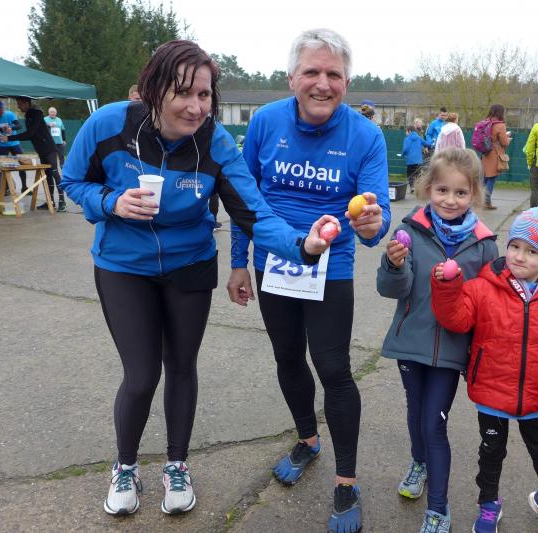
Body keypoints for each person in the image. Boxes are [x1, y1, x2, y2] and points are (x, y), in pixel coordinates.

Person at [60, 39, 338, 518]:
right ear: (154, 89)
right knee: (141, 375)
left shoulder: (214, 142)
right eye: (183, 93)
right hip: (124, 266)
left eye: (204, 95)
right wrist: (110, 202)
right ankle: (125, 467)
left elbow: (253, 212)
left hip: (190, 265)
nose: (195, 107)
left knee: (181, 365)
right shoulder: (109, 124)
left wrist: (303, 245)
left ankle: (176, 465)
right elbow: (72, 181)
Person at [227, 28, 390, 533]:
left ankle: (346, 482)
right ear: (291, 78)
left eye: (333, 74)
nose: (323, 83)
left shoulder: (366, 136)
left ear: (347, 82)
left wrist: (373, 225)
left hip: (329, 268)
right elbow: (244, 200)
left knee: (334, 369)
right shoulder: (265, 122)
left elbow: (376, 219)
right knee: (287, 357)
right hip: (274, 262)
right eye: (312, 72)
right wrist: (238, 261)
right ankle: (307, 439)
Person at [431, 205, 538, 533]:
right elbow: (456, 319)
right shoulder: (482, 287)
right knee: (491, 452)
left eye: (532, 251)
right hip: (491, 391)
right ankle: (489, 504)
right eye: (515, 246)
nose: (519, 256)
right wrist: (447, 286)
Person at [377, 148, 497, 533]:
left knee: (434, 423)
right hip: (410, 344)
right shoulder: (410, 231)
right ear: (428, 188)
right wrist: (394, 264)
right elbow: (393, 290)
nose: (450, 200)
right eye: (442, 190)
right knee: (415, 413)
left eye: (461, 193)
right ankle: (419, 463)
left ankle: (438, 508)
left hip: (451, 350)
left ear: (474, 194)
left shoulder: (484, 244)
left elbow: (488, 304)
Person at [0, 97, 65, 211]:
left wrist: (9, 138)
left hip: (49, 148)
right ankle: (50, 202)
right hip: (41, 150)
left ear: (27, 103)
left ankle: (62, 202)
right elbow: (32, 134)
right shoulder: (29, 115)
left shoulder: (36, 115)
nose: (19, 107)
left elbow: (30, 134)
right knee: (47, 175)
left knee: (55, 173)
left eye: (20, 104)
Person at [0, 100, 28, 193]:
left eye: (3, 110)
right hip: (1, 144)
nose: (1, 112)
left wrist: (11, 128)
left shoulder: (10, 114)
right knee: (2, 166)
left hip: (14, 143)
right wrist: (1, 129)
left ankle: (24, 187)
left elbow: (19, 126)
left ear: (5, 108)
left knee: (22, 164)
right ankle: (5, 188)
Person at [480, 104, 511, 210]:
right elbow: (504, 142)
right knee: (492, 177)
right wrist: (508, 139)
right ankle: (486, 201)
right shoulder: (500, 125)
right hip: (494, 154)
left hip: (485, 153)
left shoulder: (485, 122)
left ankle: (477, 199)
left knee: (484, 178)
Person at [402, 124, 429, 192]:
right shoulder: (419, 138)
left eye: (406, 131)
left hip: (410, 161)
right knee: (418, 175)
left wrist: (403, 154)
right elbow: (426, 144)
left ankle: (412, 187)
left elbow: (405, 149)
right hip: (418, 161)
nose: (406, 133)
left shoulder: (407, 139)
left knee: (410, 174)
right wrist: (431, 144)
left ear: (409, 131)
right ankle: (419, 188)